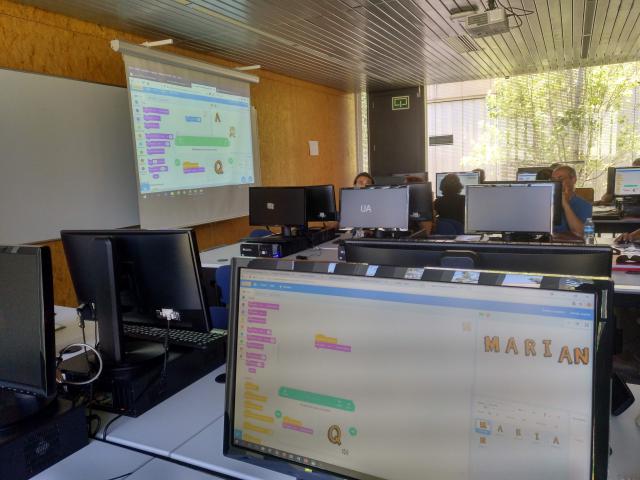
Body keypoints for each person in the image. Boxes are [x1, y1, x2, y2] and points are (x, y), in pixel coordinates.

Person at [551, 165, 592, 238]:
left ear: (573, 180)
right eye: (553, 180)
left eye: (560, 179)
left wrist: (565, 205)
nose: (556, 183)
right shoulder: (548, 202)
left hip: (570, 244)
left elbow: (582, 233)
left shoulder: (585, 205)